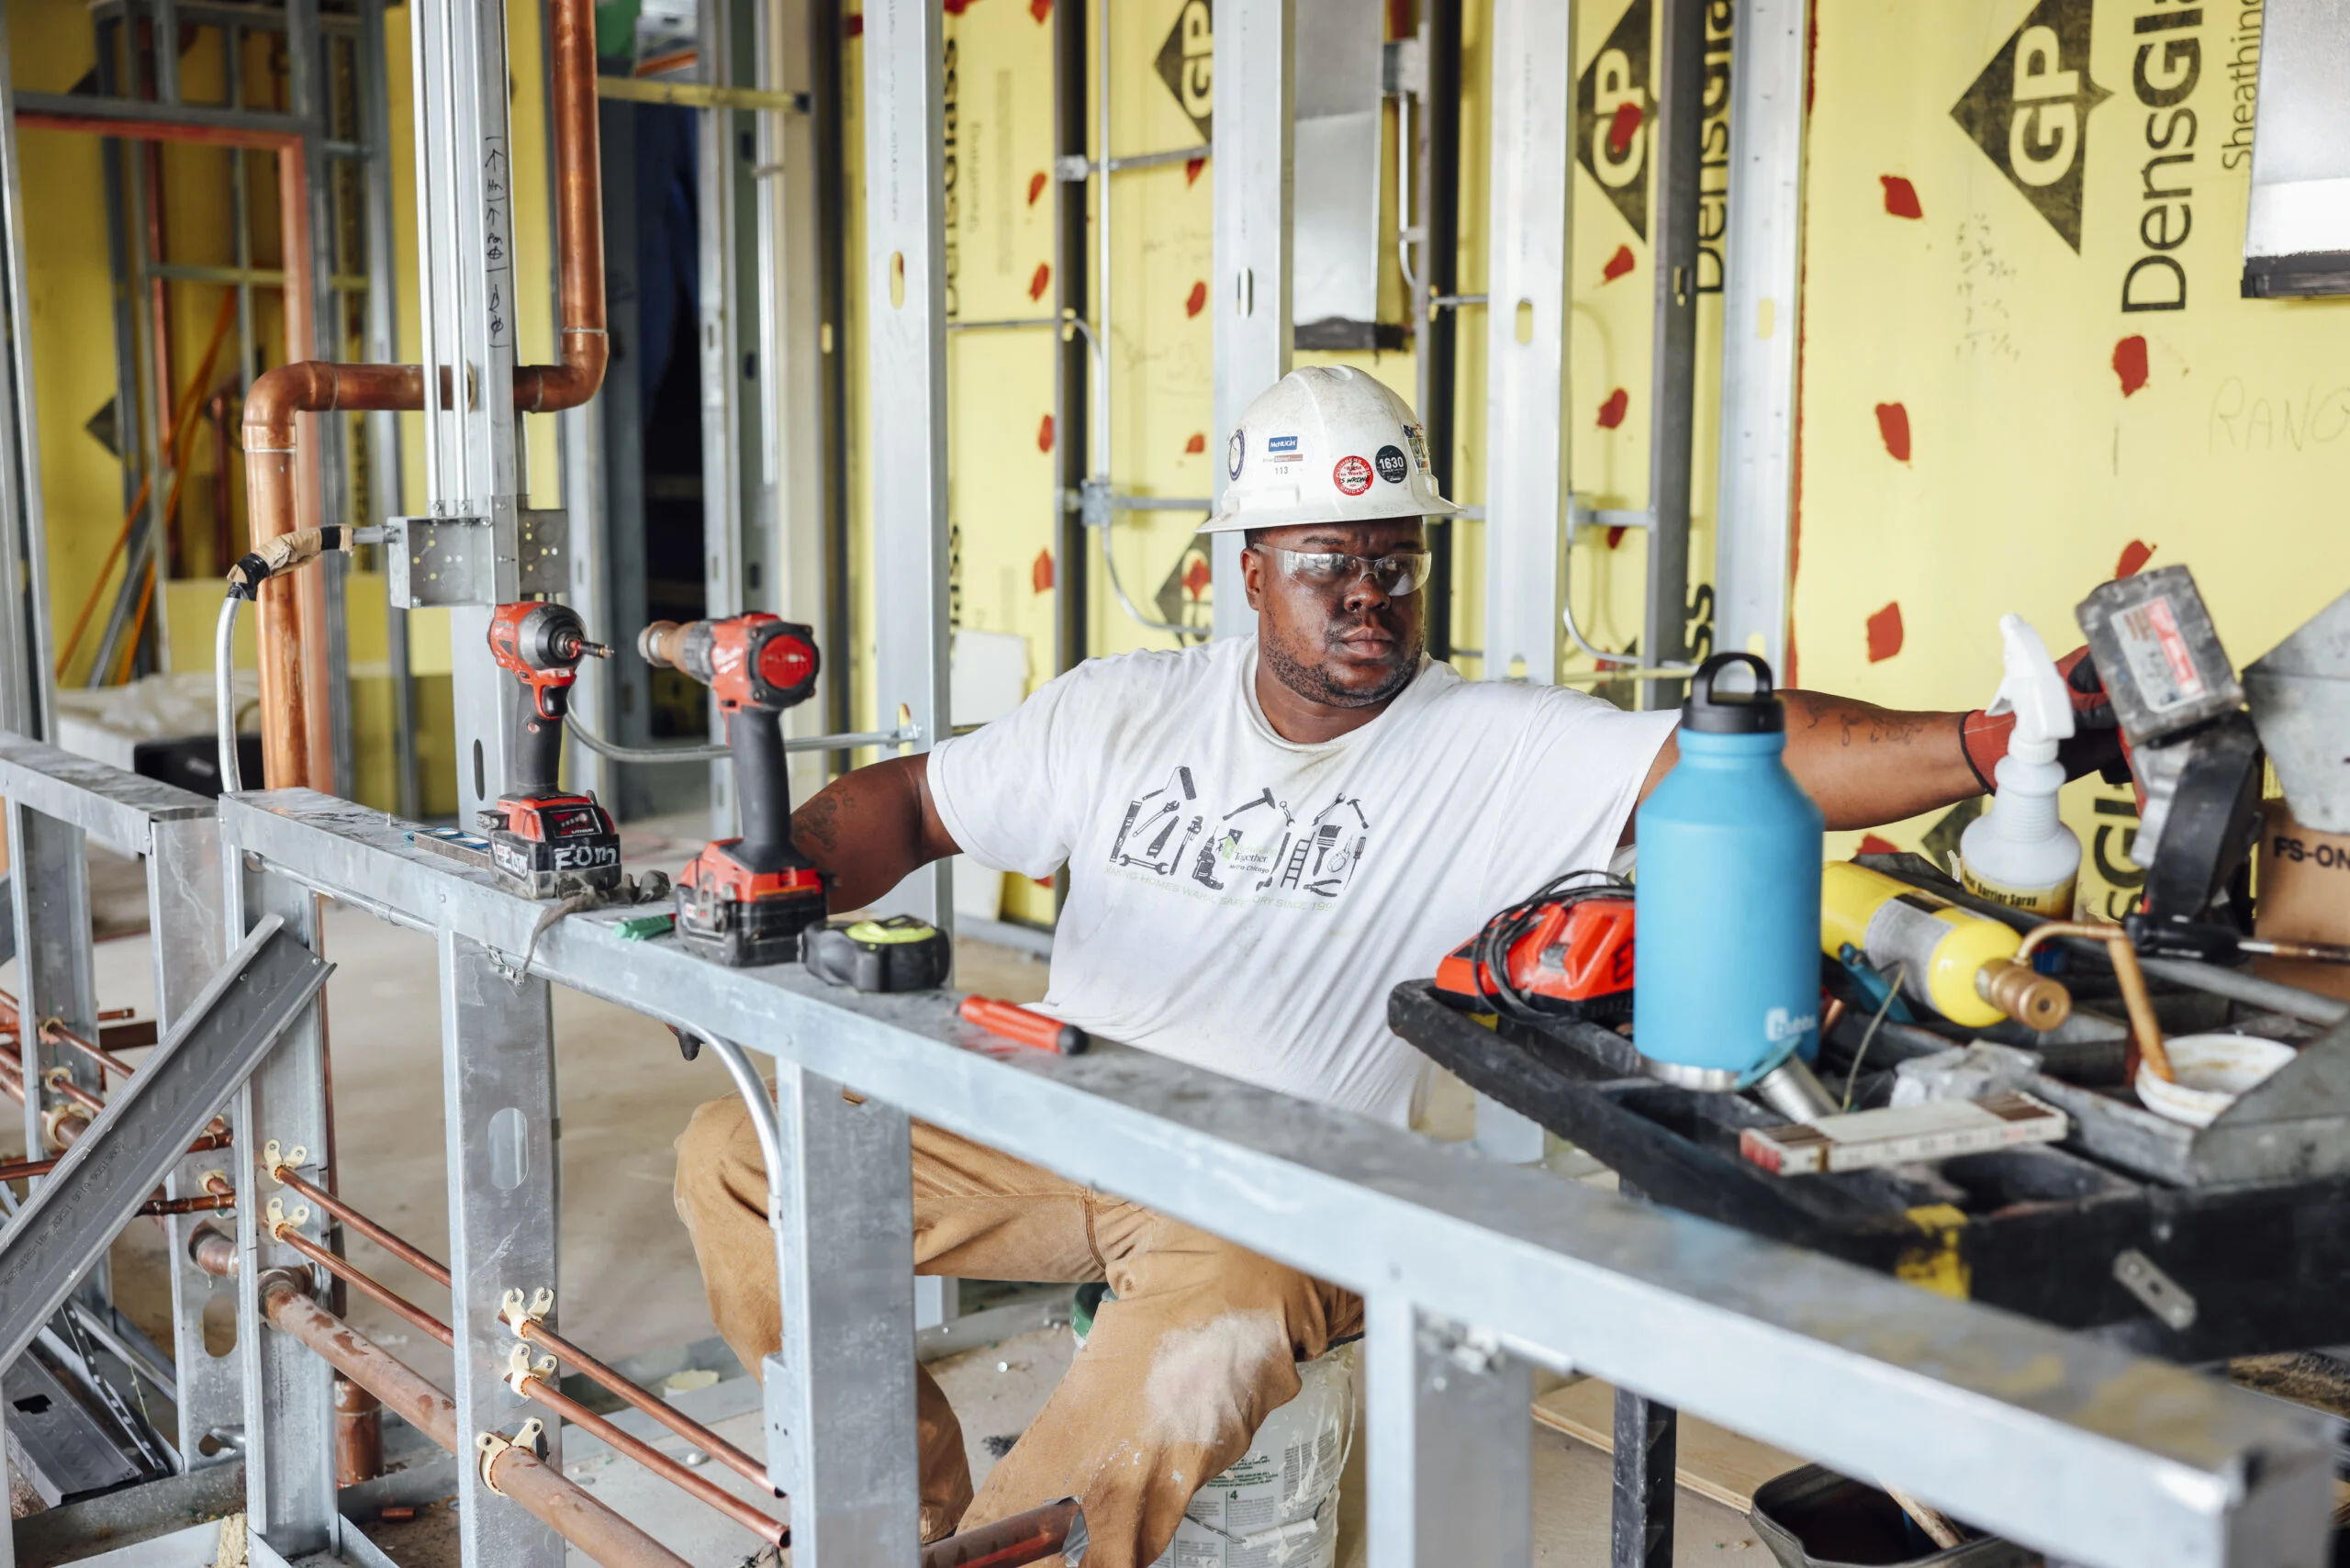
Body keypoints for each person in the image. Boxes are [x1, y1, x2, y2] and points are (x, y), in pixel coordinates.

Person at [672, 366, 2116, 1566]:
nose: (1368, 595)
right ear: (1247, 571)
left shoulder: (1486, 744)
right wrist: (772, 861)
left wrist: (1984, 748)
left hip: (1271, 1195)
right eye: (1326, 565)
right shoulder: (1121, 710)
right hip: (1056, 1117)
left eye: (1395, 562)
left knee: (1168, 1378)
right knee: (740, 1153)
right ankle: (893, 1517)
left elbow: (1737, 753)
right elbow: (916, 804)